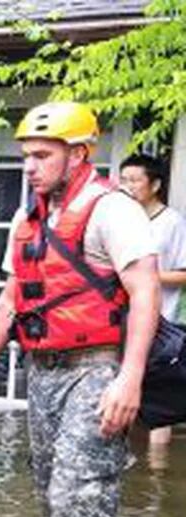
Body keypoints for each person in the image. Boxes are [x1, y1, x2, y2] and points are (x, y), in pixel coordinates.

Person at [0, 101, 160, 517]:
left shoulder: (112, 210)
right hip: (41, 373)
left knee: (75, 496)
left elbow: (146, 290)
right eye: (25, 155)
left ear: (79, 154)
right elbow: (7, 303)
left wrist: (130, 378)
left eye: (42, 155)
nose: (28, 166)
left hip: (97, 368)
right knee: (49, 497)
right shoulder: (27, 222)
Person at [118, 153, 186, 448]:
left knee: (157, 400)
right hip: (121, 321)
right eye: (123, 180)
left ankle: (156, 476)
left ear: (155, 184)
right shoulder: (118, 220)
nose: (127, 186)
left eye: (135, 180)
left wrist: (146, 277)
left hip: (161, 323)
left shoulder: (172, 223)